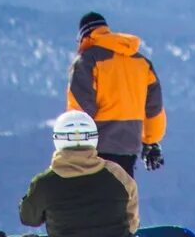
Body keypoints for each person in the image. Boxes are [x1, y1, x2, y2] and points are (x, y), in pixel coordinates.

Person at [0, 110, 143, 237]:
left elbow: (28, 218)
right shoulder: (118, 175)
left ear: (57, 140)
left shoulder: (45, 182)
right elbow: (132, 224)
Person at [67, 11, 166, 177]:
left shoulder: (88, 60)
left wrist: (74, 147)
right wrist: (151, 142)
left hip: (97, 149)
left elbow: (80, 111)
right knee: (123, 198)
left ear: (84, 36)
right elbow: (154, 108)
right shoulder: (141, 63)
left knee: (95, 201)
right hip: (129, 149)